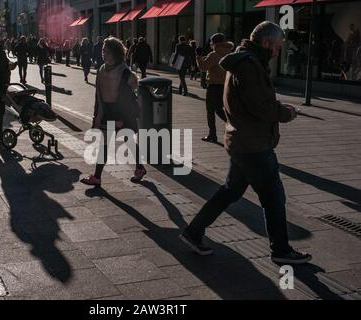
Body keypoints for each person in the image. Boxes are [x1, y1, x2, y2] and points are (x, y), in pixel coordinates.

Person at [179, 21, 312, 265]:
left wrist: (279, 108)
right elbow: (260, 106)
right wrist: (286, 113)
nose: (278, 52)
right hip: (254, 145)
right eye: (277, 47)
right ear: (265, 42)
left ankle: (193, 231)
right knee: (273, 196)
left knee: (230, 191)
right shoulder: (249, 65)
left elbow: (255, 101)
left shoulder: (243, 61)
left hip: (242, 140)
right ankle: (281, 250)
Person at [80, 37, 146, 186]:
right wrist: (96, 116)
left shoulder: (124, 72)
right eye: (103, 51)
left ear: (116, 53)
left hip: (121, 113)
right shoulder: (102, 69)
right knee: (104, 144)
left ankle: (139, 168)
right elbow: (98, 96)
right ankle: (97, 177)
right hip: (107, 112)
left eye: (107, 52)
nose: (104, 54)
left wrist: (122, 118)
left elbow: (128, 99)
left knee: (128, 142)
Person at [196, 33, 234, 143]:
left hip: (214, 86)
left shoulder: (214, 54)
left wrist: (198, 56)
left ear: (214, 43)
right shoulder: (230, 52)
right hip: (226, 86)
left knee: (211, 110)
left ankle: (213, 134)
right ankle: (233, 125)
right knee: (222, 108)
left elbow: (203, 67)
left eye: (212, 42)